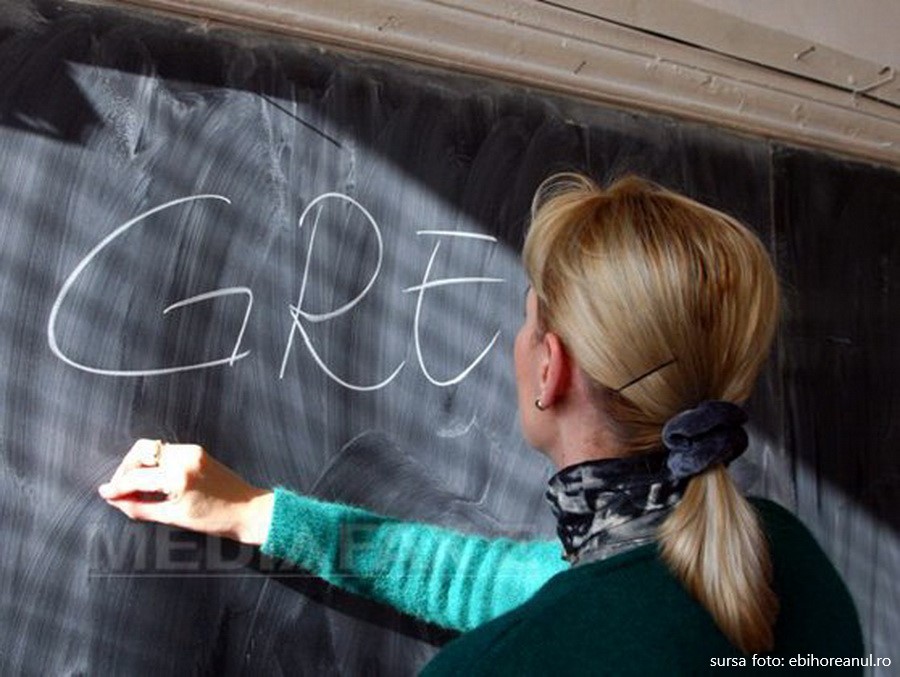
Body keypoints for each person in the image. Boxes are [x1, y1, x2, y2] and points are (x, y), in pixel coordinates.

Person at [99, 174, 864, 674]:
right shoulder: (781, 559)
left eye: (528, 322)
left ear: (549, 368)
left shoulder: (502, 664)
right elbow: (497, 581)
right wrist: (259, 514)